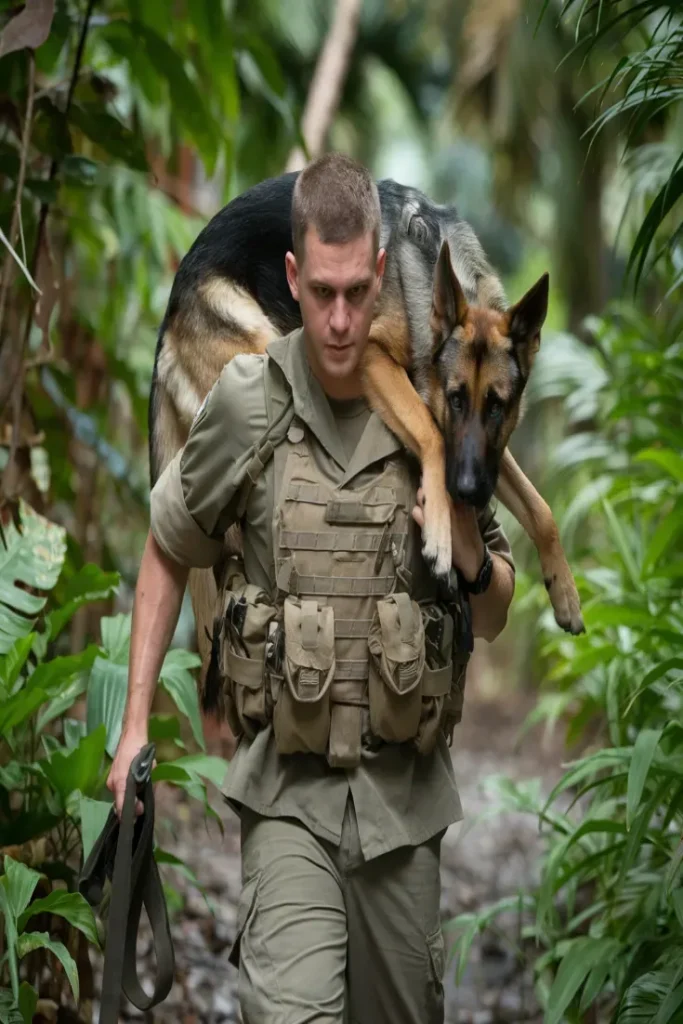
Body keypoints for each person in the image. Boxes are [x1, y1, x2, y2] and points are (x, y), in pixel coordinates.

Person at [107, 153, 515, 1024]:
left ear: (383, 276)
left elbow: (492, 613)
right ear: (291, 277)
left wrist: (467, 537)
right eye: (318, 294)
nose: (337, 321)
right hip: (286, 801)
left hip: (402, 813)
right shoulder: (247, 398)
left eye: (355, 294)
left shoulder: (444, 405)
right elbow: (167, 547)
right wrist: (133, 724)